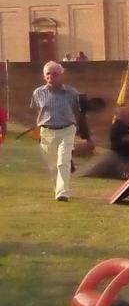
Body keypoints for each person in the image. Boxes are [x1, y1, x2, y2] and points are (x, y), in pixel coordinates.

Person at [30, 61, 86, 201]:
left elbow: (77, 111)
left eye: (55, 74)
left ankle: (62, 193)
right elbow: (37, 112)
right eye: (48, 74)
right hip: (46, 132)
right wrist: (36, 132)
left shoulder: (71, 93)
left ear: (61, 75)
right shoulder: (38, 93)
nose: (51, 77)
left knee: (63, 161)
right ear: (44, 76)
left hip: (66, 130)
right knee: (53, 165)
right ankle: (58, 189)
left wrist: (79, 130)